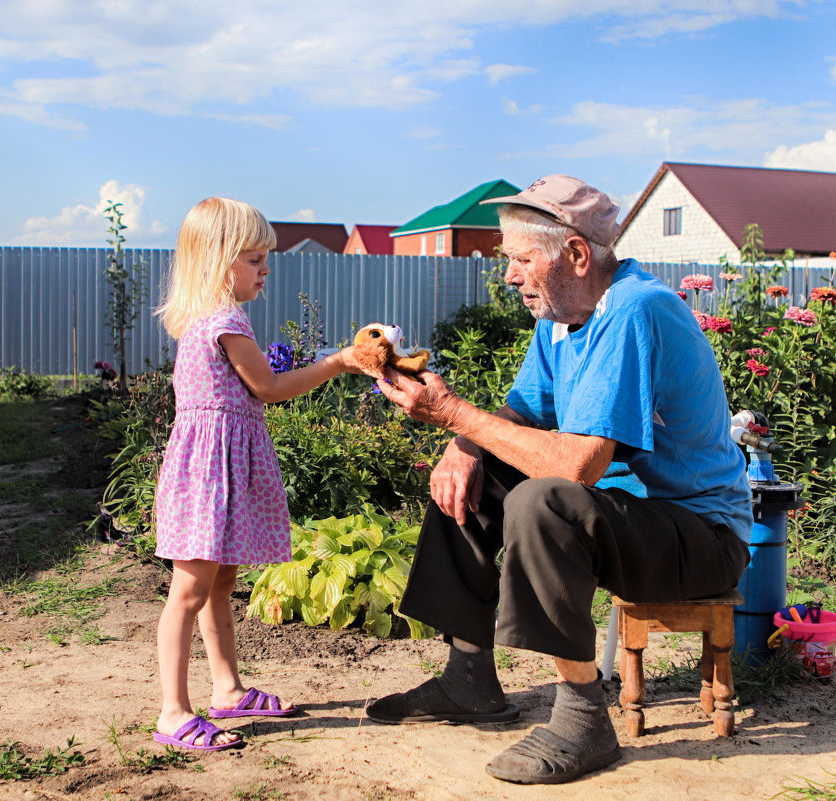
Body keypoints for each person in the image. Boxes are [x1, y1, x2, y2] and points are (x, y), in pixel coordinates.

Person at [366, 175, 753, 784]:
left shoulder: (634, 310)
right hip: (629, 520)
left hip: (700, 536)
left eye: (522, 260)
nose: (511, 276)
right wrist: (460, 441)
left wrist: (454, 412)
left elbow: (576, 468)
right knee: (470, 471)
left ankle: (581, 720)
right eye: (509, 260)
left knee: (544, 500)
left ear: (575, 255)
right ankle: (467, 678)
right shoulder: (562, 318)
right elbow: (523, 410)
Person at [151, 197, 364, 751]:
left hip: (216, 468)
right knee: (190, 589)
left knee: (220, 580)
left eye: (265, 257)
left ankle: (227, 688)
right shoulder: (224, 320)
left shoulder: (215, 317)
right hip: (209, 475)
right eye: (253, 259)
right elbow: (267, 389)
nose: (265, 268)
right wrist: (339, 361)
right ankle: (173, 712)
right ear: (219, 261)